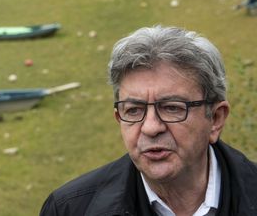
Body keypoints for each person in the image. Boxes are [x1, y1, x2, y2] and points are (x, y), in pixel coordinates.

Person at [39, 25, 257, 216]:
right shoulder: (70, 209)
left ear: (216, 119)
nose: (151, 128)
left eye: (172, 108)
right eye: (134, 110)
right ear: (118, 118)